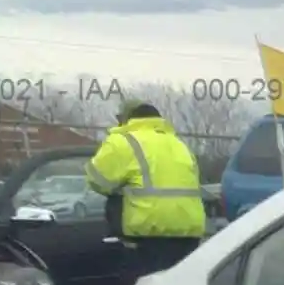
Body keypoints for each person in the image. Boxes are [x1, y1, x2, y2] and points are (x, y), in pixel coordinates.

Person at [84, 101, 205, 275]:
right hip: (189, 234)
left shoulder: (122, 141)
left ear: (126, 119)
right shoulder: (178, 144)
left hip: (147, 236)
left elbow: (98, 181)